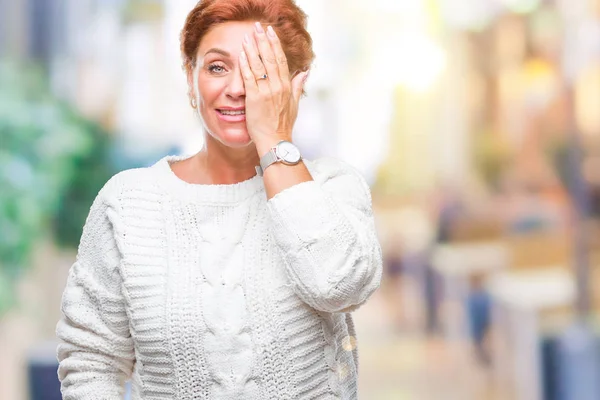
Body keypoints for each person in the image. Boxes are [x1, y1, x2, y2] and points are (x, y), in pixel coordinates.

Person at [55, 0, 382, 398]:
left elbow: (338, 286)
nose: (237, 88)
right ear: (190, 76)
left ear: (296, 83)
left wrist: (274, 141)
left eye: (261, 70)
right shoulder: (128, 204)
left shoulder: (333, 187)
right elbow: (91, 362)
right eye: (217, 66)